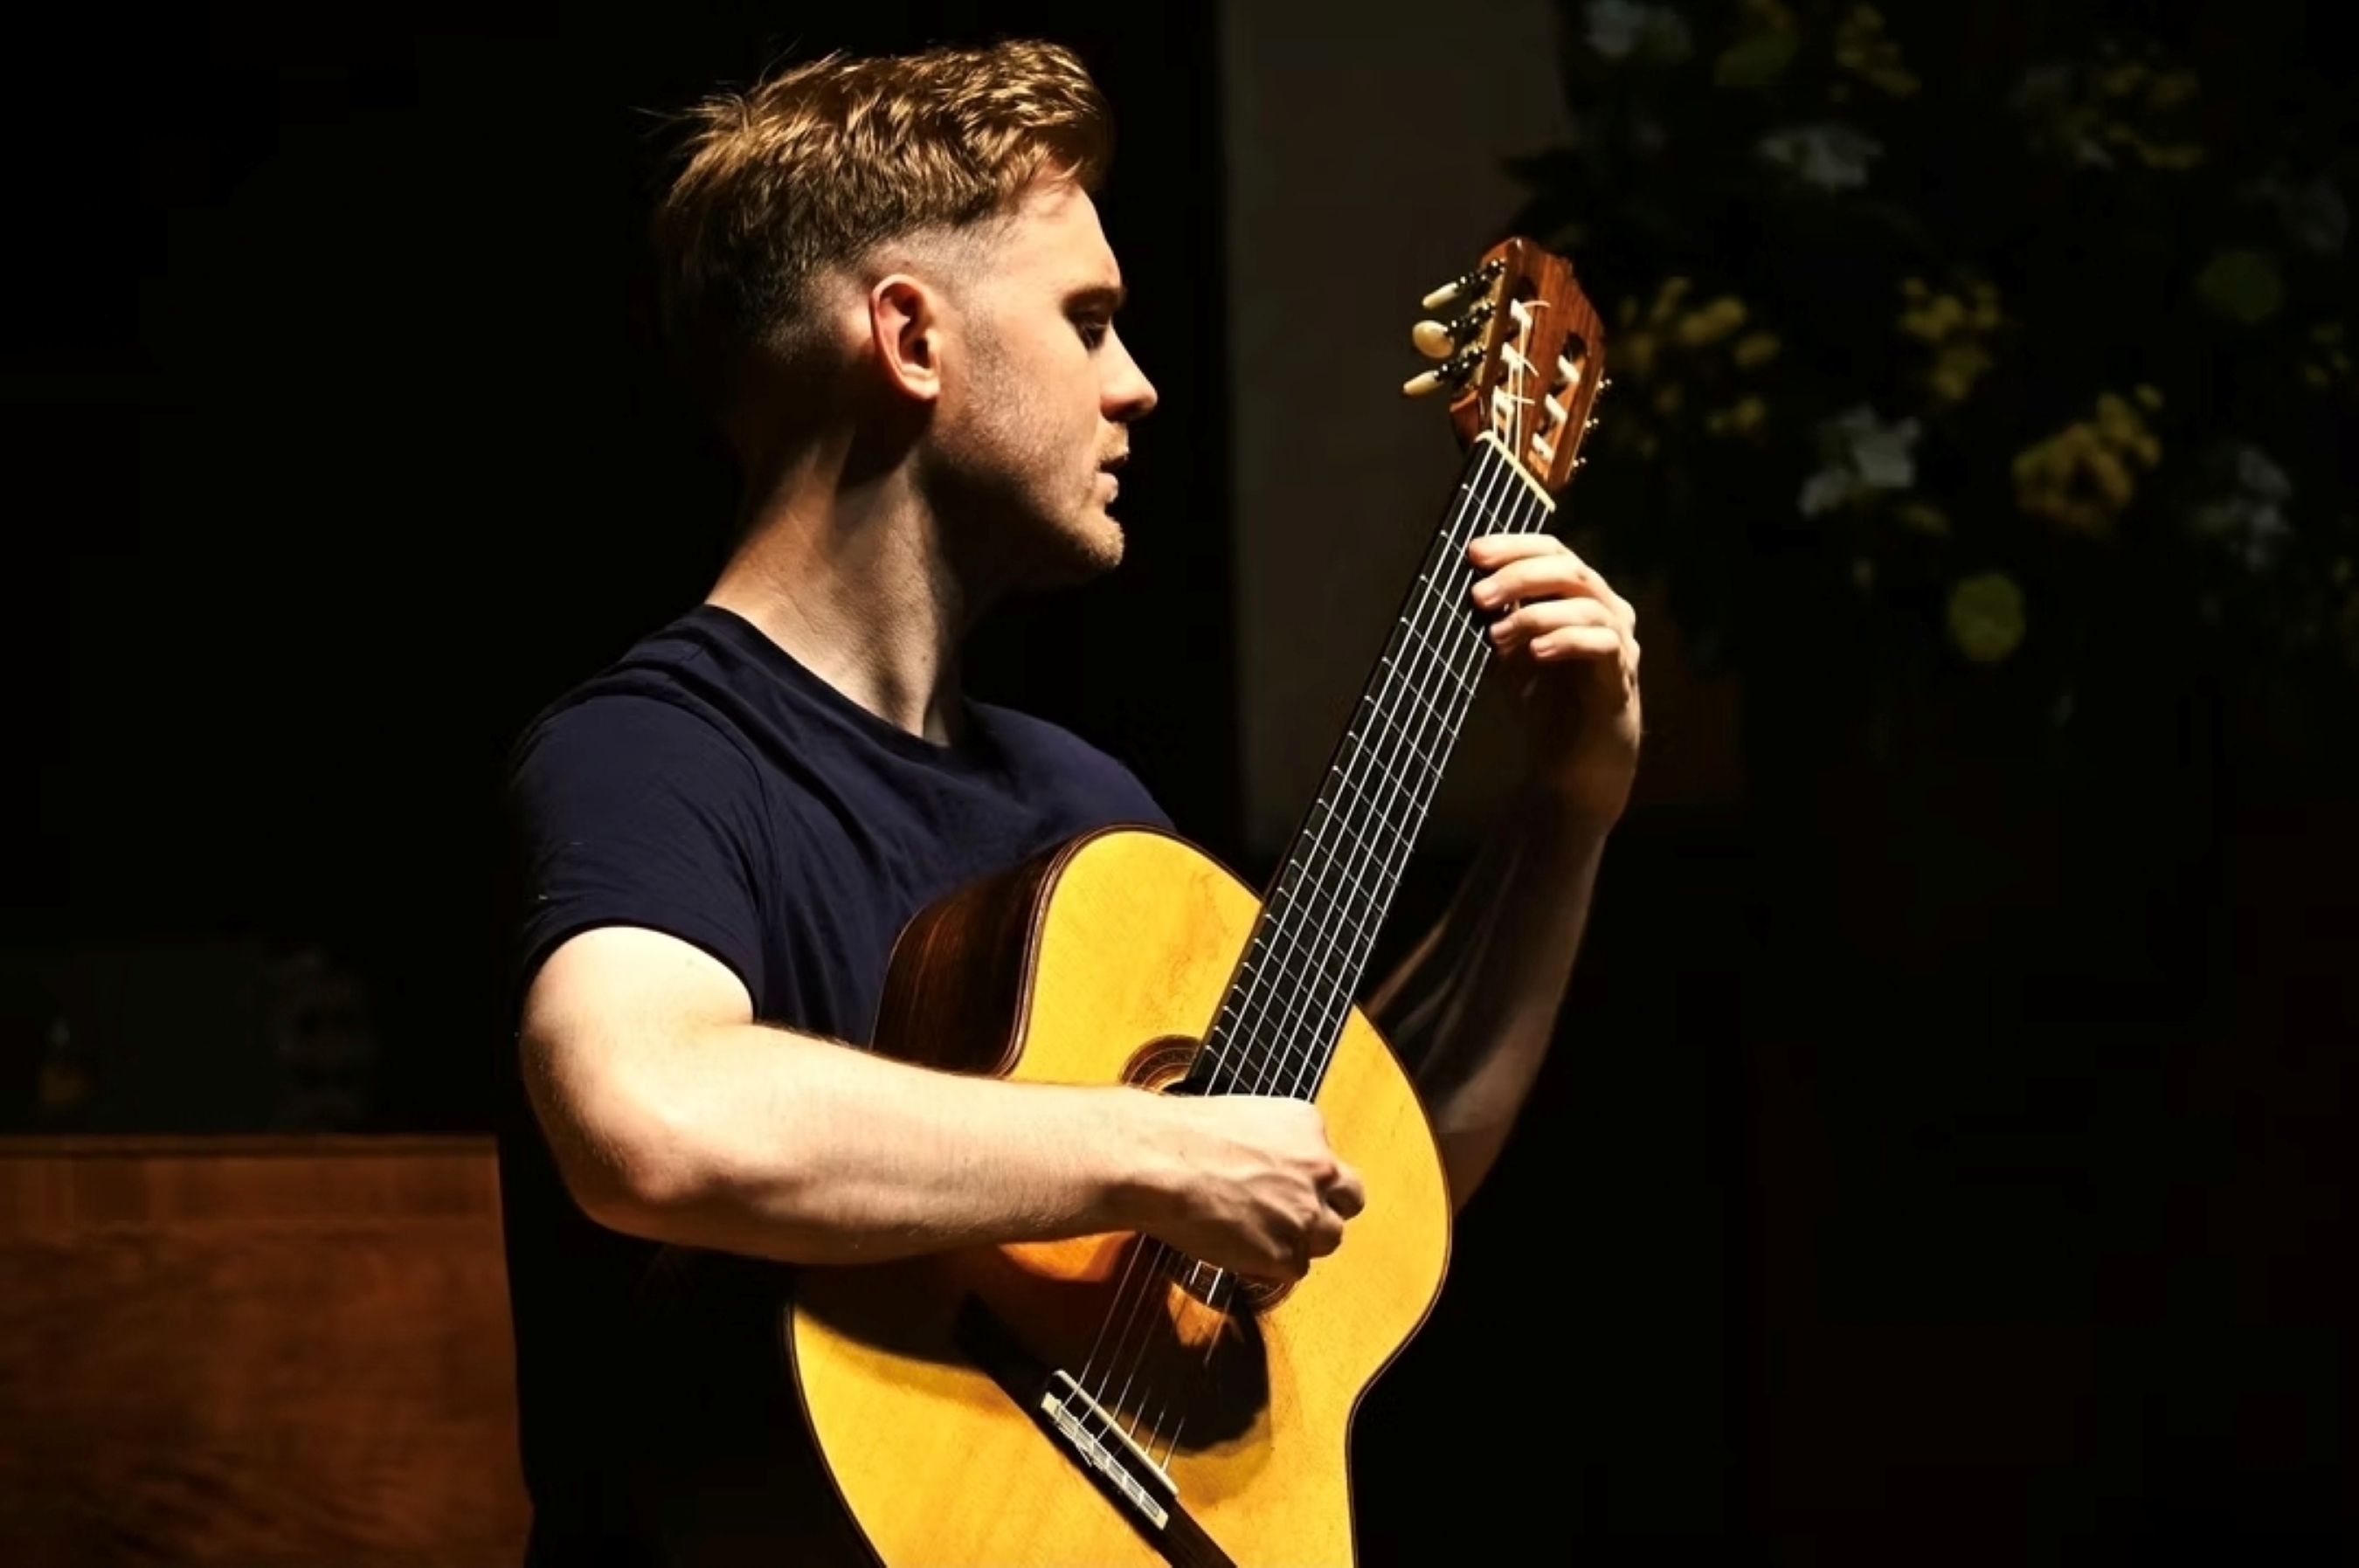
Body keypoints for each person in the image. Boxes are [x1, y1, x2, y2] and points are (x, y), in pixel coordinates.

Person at [495, 37, 1643, 1567]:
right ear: (911, 336)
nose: (1138, 385)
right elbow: (649, 1116)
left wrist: (1569, 806)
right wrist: (1153, 1152)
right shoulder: (655, 755)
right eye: (1088, 322)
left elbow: (1367, 1177)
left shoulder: (1085, 807)